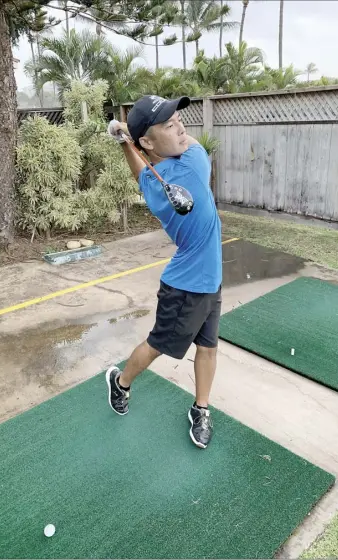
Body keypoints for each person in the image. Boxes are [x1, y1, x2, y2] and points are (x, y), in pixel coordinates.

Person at [106, 95, 222, 449]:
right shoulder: (193, 164)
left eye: (178, 119)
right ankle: (121, 382)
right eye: (169, 125)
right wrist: (127, 133)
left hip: (209, 279)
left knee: (208, 347)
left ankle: (201, 408)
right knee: (158, 346)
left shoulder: (157, 183)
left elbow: (142, 173)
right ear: (149, 142)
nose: (181, 127)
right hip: (185, 286)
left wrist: (125, 141)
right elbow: (165, 159)